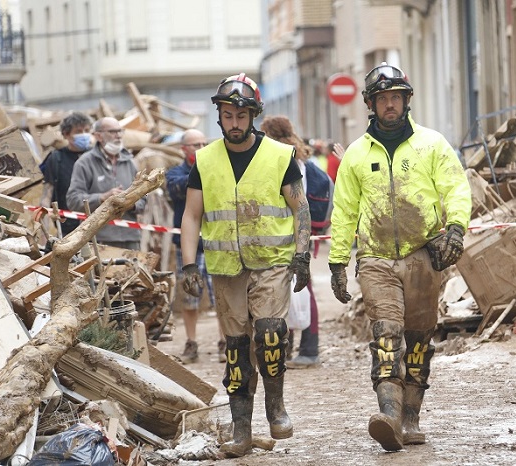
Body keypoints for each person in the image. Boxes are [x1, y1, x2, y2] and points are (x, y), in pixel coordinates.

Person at [328, 62, 472, 452]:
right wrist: (338, 261)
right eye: (382, 99)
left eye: (395, 97)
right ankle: (388, 417)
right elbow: (343, 211)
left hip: (422, 256)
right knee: (386, 336)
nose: (389, 105)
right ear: (371, 105)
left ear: (406, 100)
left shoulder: (432, 144)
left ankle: (411, 417)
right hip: (375, 259)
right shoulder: (357, 155)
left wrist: (456, 226)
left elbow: (455, 187)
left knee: (419, 339)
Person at [180, 73, 311, 458]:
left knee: (270, 335)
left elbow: (299, 208)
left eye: (241, 115)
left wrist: (302, 254)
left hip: (271, 262)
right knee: (236, 350)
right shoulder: (204, 160)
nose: (234, 123)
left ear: (253, 115)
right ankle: (241, 427)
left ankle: (276, 407)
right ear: (218, 116)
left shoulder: (279, 156)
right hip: (225, 268)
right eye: (227, 115)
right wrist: (189, 266)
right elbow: (191, 216)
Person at [260, 115, 321, 369]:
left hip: (294, 232)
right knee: (293, 289)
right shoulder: (300, 155)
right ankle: (292, 345)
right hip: (298, 231)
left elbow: (296, 201)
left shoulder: (286, 157)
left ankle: (308, 348)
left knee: (301, 289)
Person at [166, 129, 226, 364]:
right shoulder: (176, 173)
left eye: (204, 143)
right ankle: (191, 343)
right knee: (190, 295)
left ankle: (225, 342)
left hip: (216, 240)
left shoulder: (216, 168)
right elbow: (176, 188)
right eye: (195, 144)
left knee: (221, 293)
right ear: (184, 149)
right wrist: (202, 172)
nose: (200, 148)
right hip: (189, 244)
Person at [66, 117, 146, 250]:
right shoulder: (85, 163)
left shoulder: (130, 162)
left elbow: (143, 197)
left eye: (120, 131)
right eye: (113, 132)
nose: (118, 136)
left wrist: (131, 204)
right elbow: (73, 200)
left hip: (130, 237)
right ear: (98, 136)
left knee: (132, 271)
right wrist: (102, 198)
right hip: (98, 239)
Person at [40, 111, 93, 237]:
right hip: (68, 228)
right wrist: (44, 234)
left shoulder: (96, 156)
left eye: (87, 130)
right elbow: (47, 196)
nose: (84, 135)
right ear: (66, 134)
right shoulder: (56, 158)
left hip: (98, 227)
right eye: (79, 131)